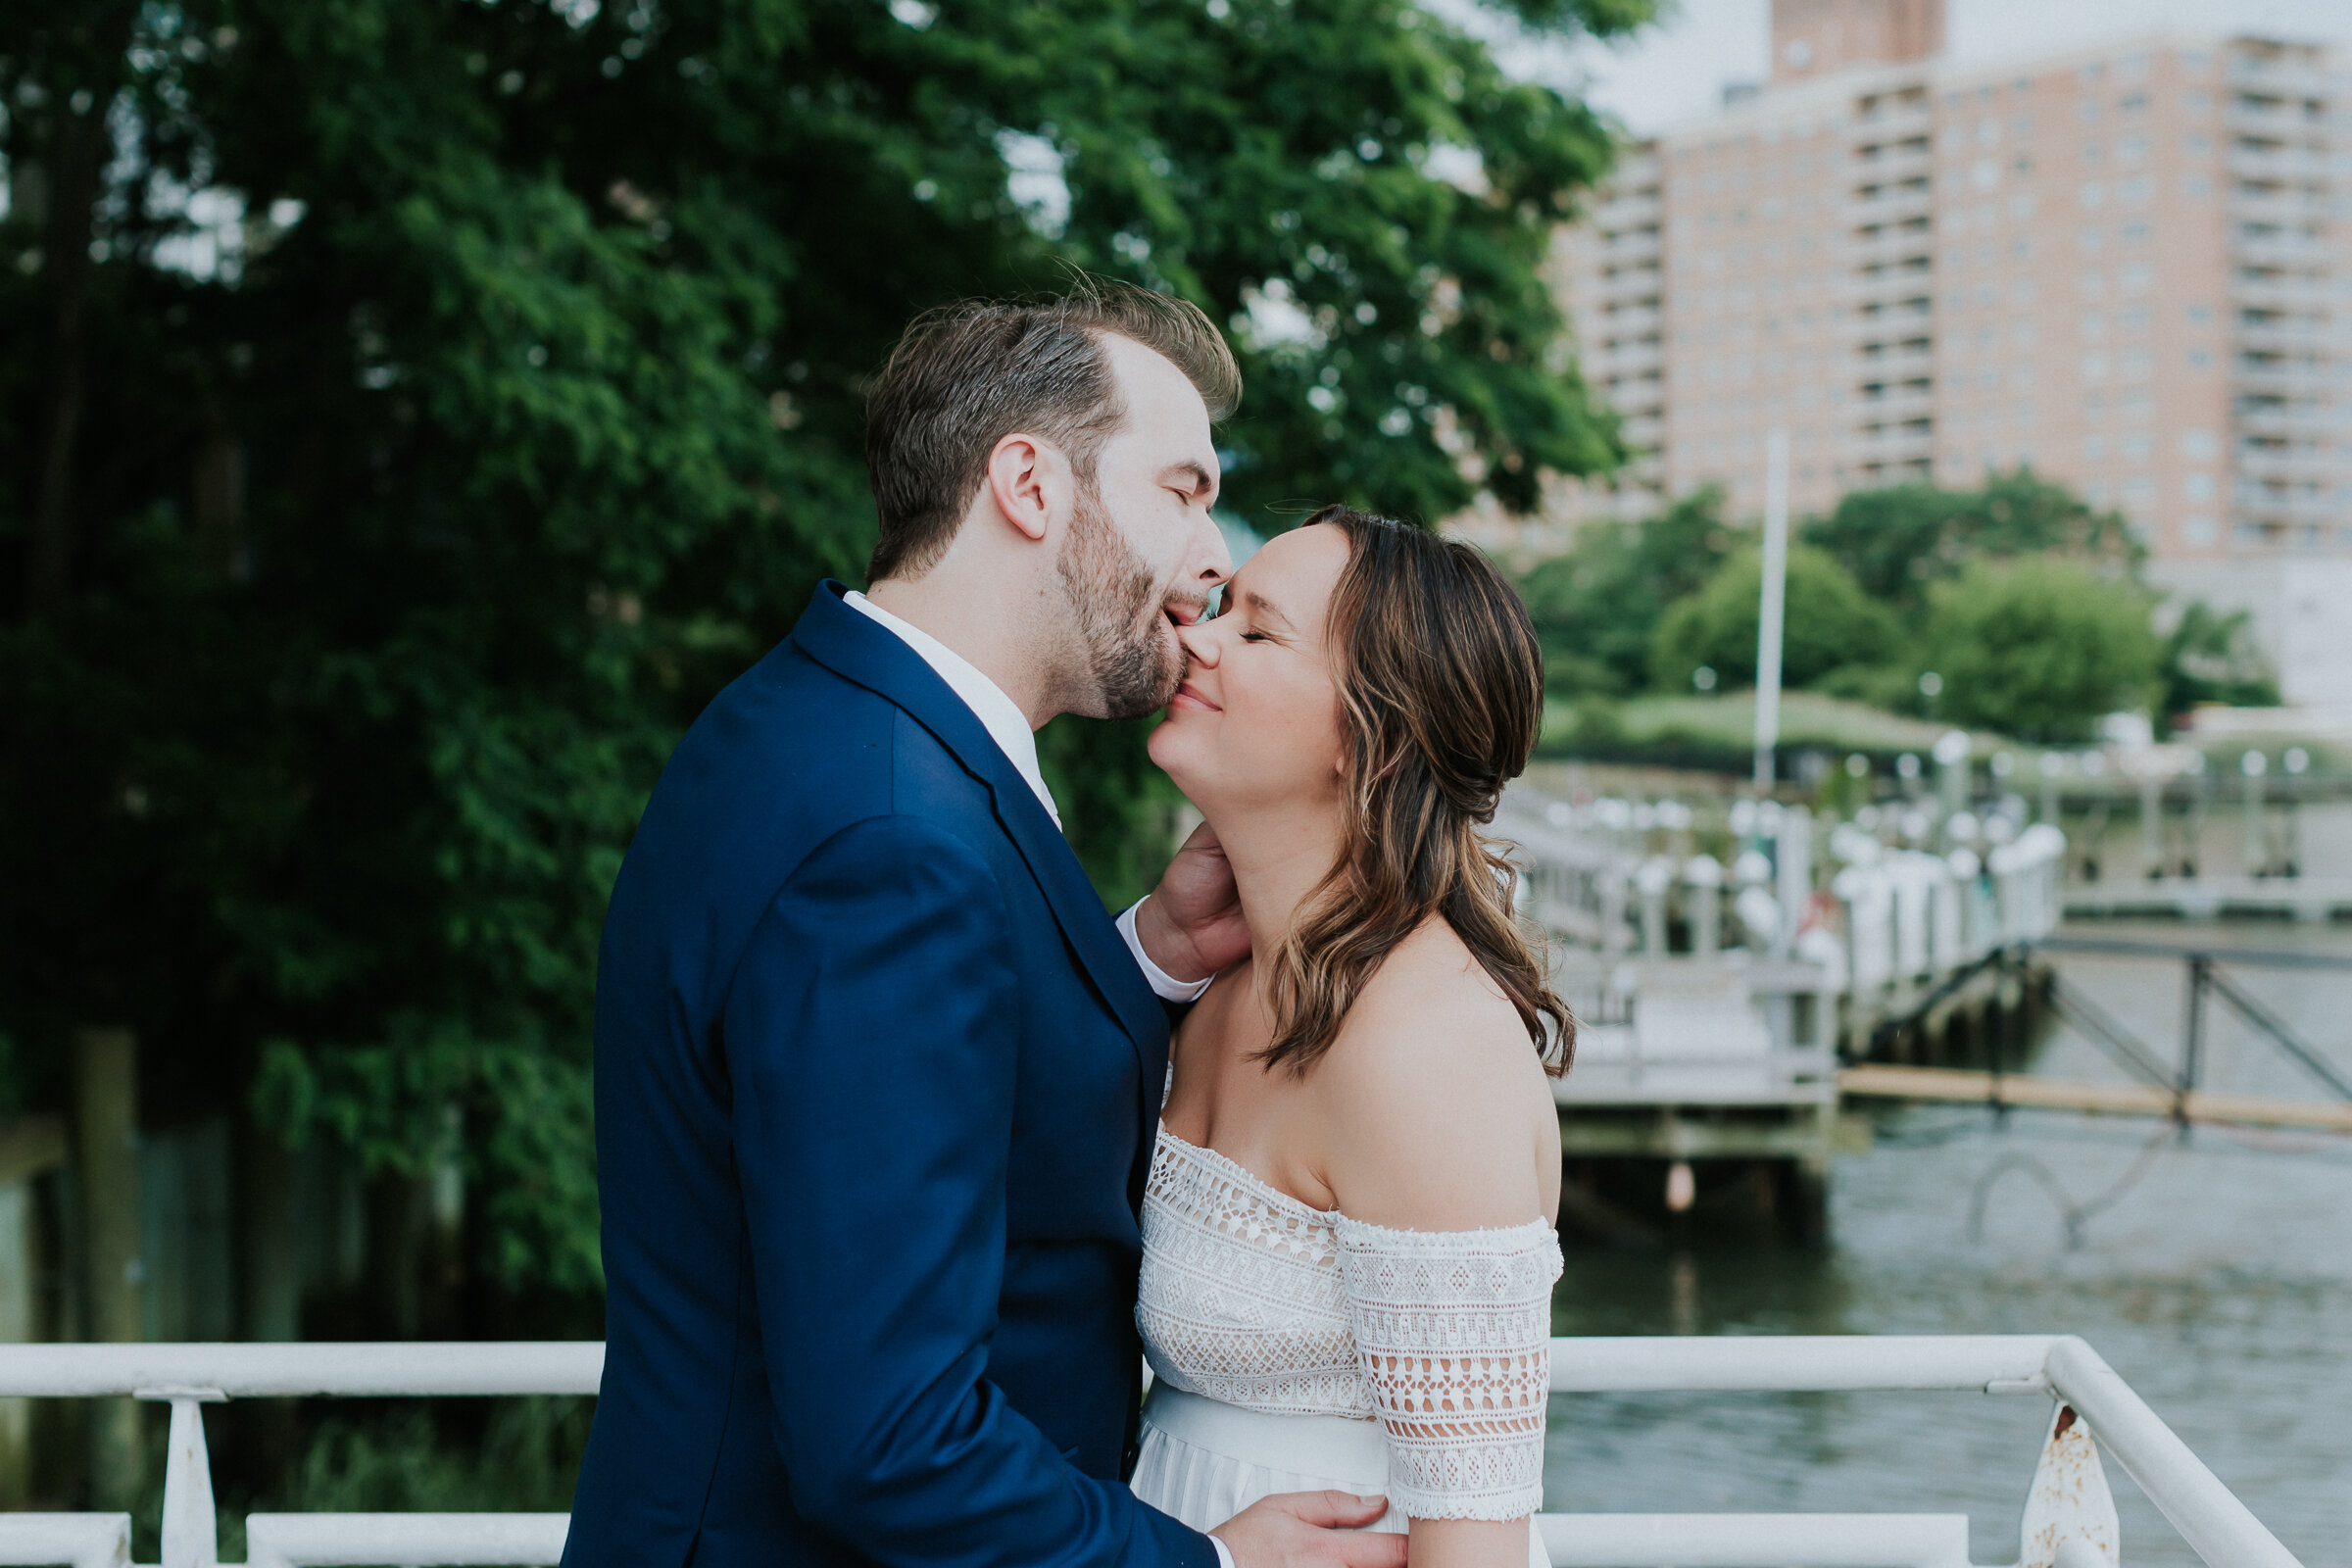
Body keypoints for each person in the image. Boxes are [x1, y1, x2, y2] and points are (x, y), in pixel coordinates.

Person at [564, 283, 1407, 1568]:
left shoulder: (832, 722)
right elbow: (893, 1440)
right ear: (1030, 485)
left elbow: (938, 1090)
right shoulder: (895, 841)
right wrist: (1214, 1567)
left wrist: (1149, 957)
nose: (1213, 558)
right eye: (1181, 490)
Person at [1131, 507, 1571, 1568]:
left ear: (1369, 740)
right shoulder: (1216, 982)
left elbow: (1473, 1549)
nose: (1197, 633)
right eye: (1222, 607)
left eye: (1257, 630)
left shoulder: (1427, 1050)